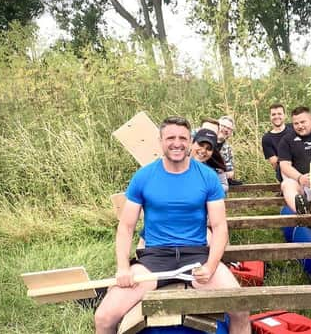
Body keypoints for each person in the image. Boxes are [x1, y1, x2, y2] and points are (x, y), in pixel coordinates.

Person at [94, 116, 250, 334]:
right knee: (103, 318)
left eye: (182, 138)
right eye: (170, 138)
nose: (177, 143)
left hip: (196, 256)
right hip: (154, 259)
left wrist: (211, 266)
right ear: (160, 141)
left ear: (190, 141)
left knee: (241, 309)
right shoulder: (144, 176)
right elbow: (126, 227)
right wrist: (122, 267)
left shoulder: (207, 177)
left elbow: (220, 227)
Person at [277, 106, 311, 213]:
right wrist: (300, 178)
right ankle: (304, 213)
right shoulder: (287, 140)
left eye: (303, 122)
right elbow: (284, 165)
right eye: (296, 123)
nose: (300, 126)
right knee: (286, 184)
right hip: (302, 184)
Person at [261, 103, 293, 181]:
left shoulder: (293, 128)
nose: (276, 117)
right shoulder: (267, 138)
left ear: (284, 115)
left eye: (279, 114)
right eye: (273, 114)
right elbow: (275, 163)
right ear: (270, 117)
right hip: (284, 172)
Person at [192, 128, 229, 194]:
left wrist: (206, 190)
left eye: (209, 148)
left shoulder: (215, 166)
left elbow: (224, 186)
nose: (203, 151)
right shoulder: (178, 161)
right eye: (201, 145)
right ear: (192, 143)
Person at [216, 115, 239, 184]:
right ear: (217, 126)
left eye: (229, 128)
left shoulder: (227, 148)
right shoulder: (204, 141)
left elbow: (230, 173)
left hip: (217, 187)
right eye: (223, 126)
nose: (226, 130)